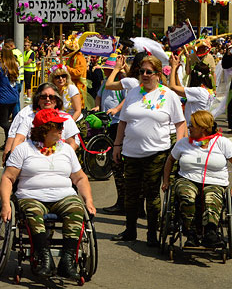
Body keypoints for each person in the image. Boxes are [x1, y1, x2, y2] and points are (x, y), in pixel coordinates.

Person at [0, 108, 96, 281]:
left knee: (76, 209)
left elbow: (80, 178)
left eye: (61, 125)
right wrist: (6, 204)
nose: (61, 128)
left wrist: (88, 201)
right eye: (57, 125)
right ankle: (45, 259)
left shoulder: (66, 149)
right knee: (32, 212)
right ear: (44, 129)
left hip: (63, 195)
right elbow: (8, 177)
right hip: (32, 196)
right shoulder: (24, 149)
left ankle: (67, 261)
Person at [112, 55, 187, 245]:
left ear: (158, 74)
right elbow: (123, 121)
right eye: (141, 72)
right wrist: (117, 145)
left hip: (156, 153)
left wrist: (178, 147)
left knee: (152, 193)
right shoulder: (133, 93)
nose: (144, 75)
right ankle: (130, 230)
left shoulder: (168, 94)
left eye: (148, 72)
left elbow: (180, 123)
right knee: (131, 193)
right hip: (130, 152)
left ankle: (152, 234)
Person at [162, 110, 231, 247]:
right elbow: (170, 160)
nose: (189, 127)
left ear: (203, 127)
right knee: (186, 195)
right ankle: (191, 233)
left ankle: (211, 232)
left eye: (192, 125)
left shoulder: (222, 142)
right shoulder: (183, 143)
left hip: (215, 181)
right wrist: (166, 181)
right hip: (187, 179)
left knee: (211, 197)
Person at [3, 82, 80, 162]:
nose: (47, 99)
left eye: (51, 97)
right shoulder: (28, 116)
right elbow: (18, 139)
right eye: (43, 97)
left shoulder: (66, 118)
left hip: (58, 161)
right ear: (38, 100)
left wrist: (62, 160)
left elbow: (72, 143)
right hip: (32, 161)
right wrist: (13, 159)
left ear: (57, 100)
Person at [93, 54, 126, 214]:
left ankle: (124, 202)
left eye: (109, 69)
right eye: (105, 69)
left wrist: (116, 109)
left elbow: (126, 99)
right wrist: (97, 106)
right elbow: (99, 96)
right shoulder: (105, 82)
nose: (106, 72)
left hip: (118, 122)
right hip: (107, 120)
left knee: (118, 161)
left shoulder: (123, 83)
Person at [168, 54, 215, 124]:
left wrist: (173, 67)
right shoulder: (207, 90)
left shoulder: (199, 91)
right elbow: (180, 88)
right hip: (199, 125)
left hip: (193, 127)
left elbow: (172, 87)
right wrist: (176, 74)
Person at [0, 47, 21, 150]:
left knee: (3, 122)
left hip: (4, 97)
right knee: (10, 120)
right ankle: (7, 142)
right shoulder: (15, 65)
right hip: (14, 96)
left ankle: (15, 136)